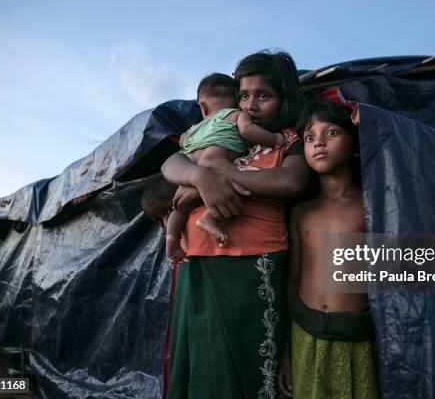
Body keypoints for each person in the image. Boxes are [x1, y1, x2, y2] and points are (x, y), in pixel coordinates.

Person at [161, 50, 309, 398]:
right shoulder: (225, 130)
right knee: (201, 366)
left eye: (263, 95)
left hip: (252, 265)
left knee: (242, 368)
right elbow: (171, 164)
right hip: (196, 263)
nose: (251, 104)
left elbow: (291, 182)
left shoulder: (288, 140)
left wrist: (221, 178)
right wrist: (200, 177)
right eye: (244, 95)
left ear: (283, 97)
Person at [278, 100, 380, 399]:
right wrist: (286, 351)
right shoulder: (301, 213)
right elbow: (293, 281)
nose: (318, 142)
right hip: (305, 334)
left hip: (358, 340)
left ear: (357, 145)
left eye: (332, 132)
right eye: (309, 137)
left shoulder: (374, 205)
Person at [166, 73, 287, 262]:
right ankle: (209, 218)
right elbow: (247, 130)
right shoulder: (236, 114)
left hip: (192, 167)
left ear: (202, 106)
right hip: (217, 161)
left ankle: (171, 239)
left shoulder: (190, 131)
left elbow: (181, 147)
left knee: (179, 206)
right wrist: (273, 139)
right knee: (241, 186)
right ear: (236, 100)